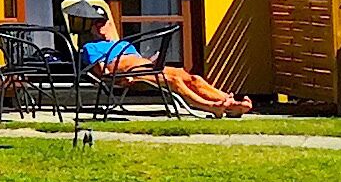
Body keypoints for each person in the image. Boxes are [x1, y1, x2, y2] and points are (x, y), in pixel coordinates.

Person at [80, 29, 253, 116]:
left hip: (146, 67)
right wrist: (116, 80)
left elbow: (141, 59)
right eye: (97, 25)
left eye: (104, 22)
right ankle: (210, 107)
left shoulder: (124, 44)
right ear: (92, 30)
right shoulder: (91, 47)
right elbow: (101, 71)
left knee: (191, 77)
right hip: (128, 73)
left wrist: (152, 61)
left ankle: (228, 102)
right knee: (173, 80)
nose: (102, 27)